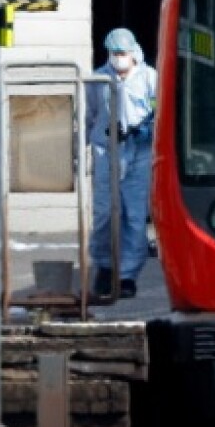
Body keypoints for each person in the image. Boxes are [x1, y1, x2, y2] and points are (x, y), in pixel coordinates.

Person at [86, 27, 157, 300]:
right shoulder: (98, 80)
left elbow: (160, 110)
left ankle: (127, 275)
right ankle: (104, 267)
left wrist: (146, 131)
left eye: (122, 53)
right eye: (114, 53)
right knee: (104, 212)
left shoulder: (149, 78)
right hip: (107, 151)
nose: (118, 58)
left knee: (134, 216)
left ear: (133, 52)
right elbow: (88, 115)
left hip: (138, 151)